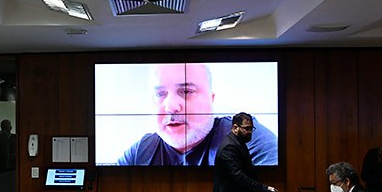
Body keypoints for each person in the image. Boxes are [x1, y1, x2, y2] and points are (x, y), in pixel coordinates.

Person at [117, 63, 277, 166]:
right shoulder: (141, 151)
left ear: (211, 99)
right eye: (160, 94)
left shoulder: (244, 137)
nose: (171, 106)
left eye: (186, 91)